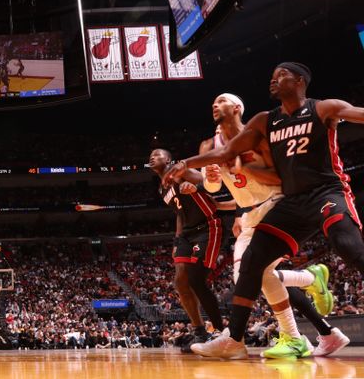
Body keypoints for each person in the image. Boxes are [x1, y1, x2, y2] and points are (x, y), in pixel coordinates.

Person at [165, 62, 364, 359]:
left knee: (346, 244)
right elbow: (224, 154)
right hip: (290, 203)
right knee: (253, 263)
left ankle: (304, 320)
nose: (273, 81)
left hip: (324, 191)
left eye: (281, 75)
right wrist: (186, 164)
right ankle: (235, 339)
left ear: (299, 81)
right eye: (271, 77)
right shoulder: (265, 121)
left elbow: (357, 113)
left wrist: (239, 166)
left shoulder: (322, 108)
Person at [201, 92, 349, 358]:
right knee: (257, 276)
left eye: (221, 100)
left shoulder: (259, 135)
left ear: (237, 108)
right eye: (214, 102)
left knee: (249, 274)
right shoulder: (208, 145)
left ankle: (286, 336)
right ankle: (315, 306)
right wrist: (211, 178)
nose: (215, 103)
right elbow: (213, 187)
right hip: (249, 215)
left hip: (276, 206)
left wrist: (243, 168)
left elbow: (276, 174)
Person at [149, 148, 226, 351]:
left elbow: (204, 180)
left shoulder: (179, 170)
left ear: (169, 159)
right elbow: (178, 213)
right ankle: (199, 331)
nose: (153, 156)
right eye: (151, 155)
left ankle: (220, 330)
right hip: (186, 232)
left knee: (195, 279)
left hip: (207, 226)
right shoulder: (161, 187)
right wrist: (177, 239)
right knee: (180, 281)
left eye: (157, 154)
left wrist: (193, 184)